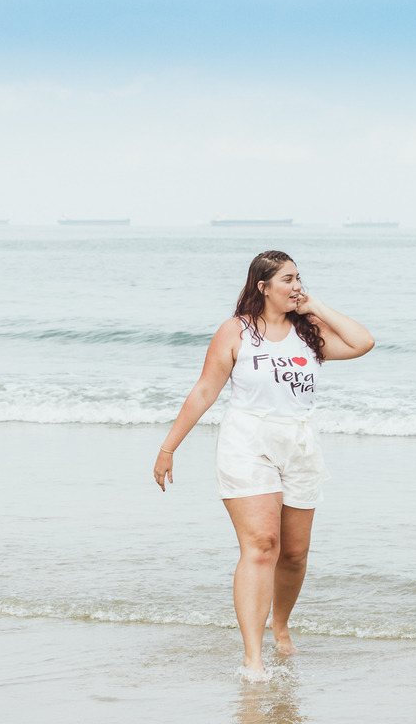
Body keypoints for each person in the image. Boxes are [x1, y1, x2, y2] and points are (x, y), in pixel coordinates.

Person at [153, 250, 375, 679]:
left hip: (299, 443)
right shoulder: (236, 331)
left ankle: (281, 624)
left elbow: (362, 342)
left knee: (293, 554)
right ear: (263, 286)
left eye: (298, 279)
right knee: (262, 544)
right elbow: (204, 391)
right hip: (248, 440)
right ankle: (252, 657)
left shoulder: (310, 333)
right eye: (287, 280)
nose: (295, 286)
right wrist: (168, 447)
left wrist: (313, 305)